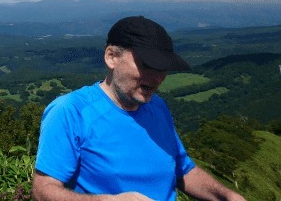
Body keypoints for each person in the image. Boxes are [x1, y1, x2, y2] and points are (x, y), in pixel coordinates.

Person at [31, 16, 246, 201]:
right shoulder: (71, 111)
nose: (157, 77)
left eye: (163, 67)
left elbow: (182, 170)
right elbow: (43, 191)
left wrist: (227, 196)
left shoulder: (157, 106)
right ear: (111, 57)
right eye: (146, 65)